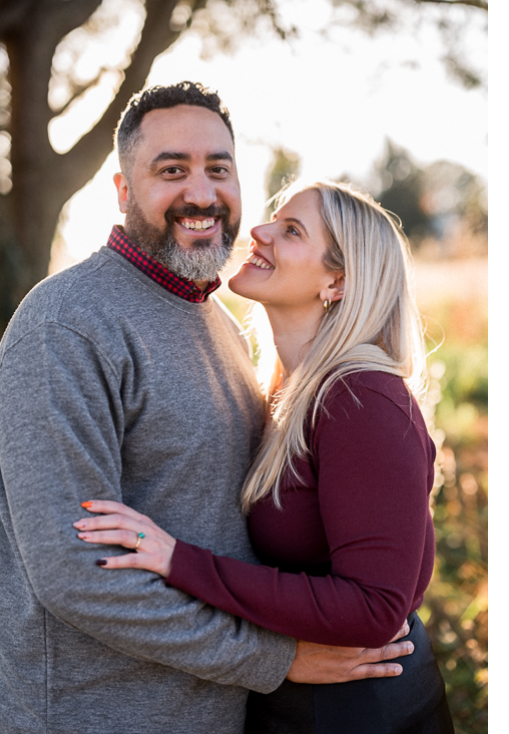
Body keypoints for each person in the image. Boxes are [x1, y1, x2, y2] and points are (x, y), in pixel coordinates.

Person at [0, 82, 409, 734]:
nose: (200, 192)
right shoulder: (66, 324)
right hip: (96, 716)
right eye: (171, 170)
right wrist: (271, 658)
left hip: (218, 713)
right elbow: (76, 575)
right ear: (123, 190)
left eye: (218, 168)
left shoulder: (220, 323)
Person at [75, 177, 454, 734]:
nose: (258, 230)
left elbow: (375, 607)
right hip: (300, 699)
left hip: (359, 710)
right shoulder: (287, 390)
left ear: (337, 281)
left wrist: (176, 560)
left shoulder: (360, 398)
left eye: (291, 230)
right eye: (275, 217)